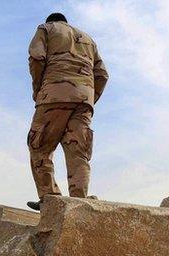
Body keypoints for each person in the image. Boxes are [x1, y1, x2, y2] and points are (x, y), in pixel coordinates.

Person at [26, 12, 108, 211]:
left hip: (54, 94)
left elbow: (37, 57)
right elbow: (103, 74)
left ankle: (49, 198)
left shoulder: (46, 29)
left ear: (51, 21)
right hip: (83, 100)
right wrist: (89, 97)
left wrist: (38, 89)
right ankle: (79, 201)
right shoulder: (88, 39)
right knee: (78, 152)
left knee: (40, 147)